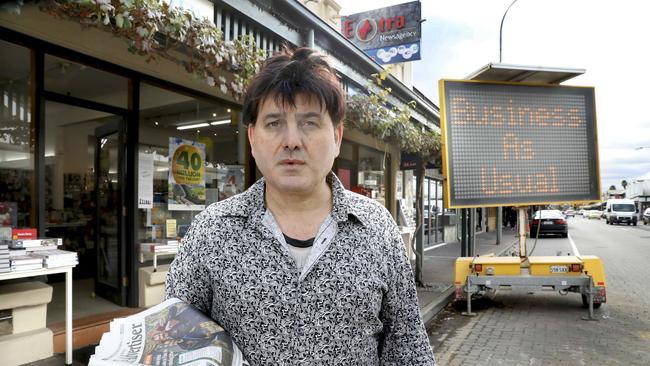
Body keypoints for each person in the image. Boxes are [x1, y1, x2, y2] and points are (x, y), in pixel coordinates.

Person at [165, 47, 436, 365]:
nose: (292, 140)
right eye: (274, 123)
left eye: (309, 123)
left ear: (337, 136)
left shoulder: (377, 225)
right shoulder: (212, 228)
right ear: (252, 139)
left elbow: (407, 346)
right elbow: (174, 337)